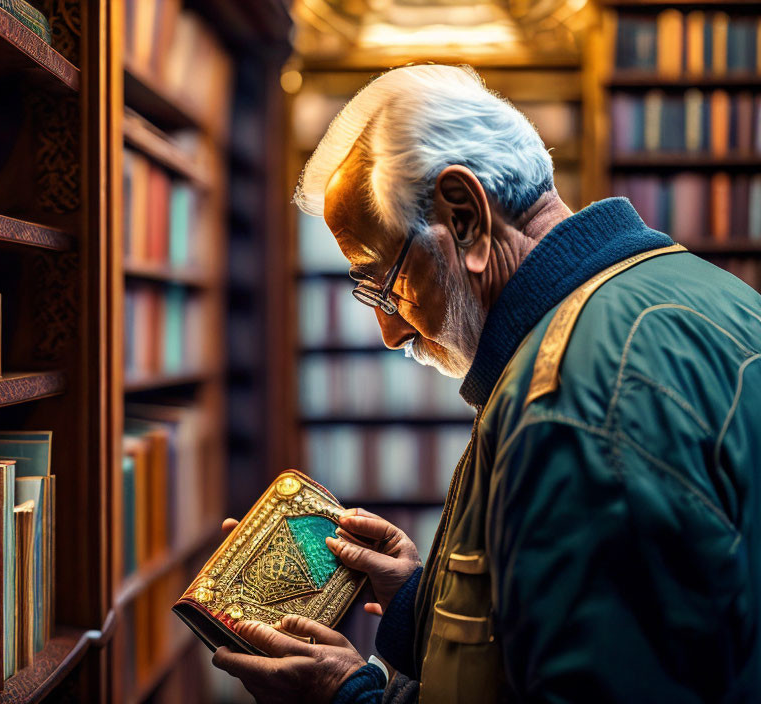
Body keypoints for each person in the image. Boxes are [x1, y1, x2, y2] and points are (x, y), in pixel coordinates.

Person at [212, 64, 761, 703]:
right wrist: (427, 601)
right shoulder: (705, 291)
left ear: (466, 218)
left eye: (383, 284)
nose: (391, 333)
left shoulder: (568, 402)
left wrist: (352, 701)